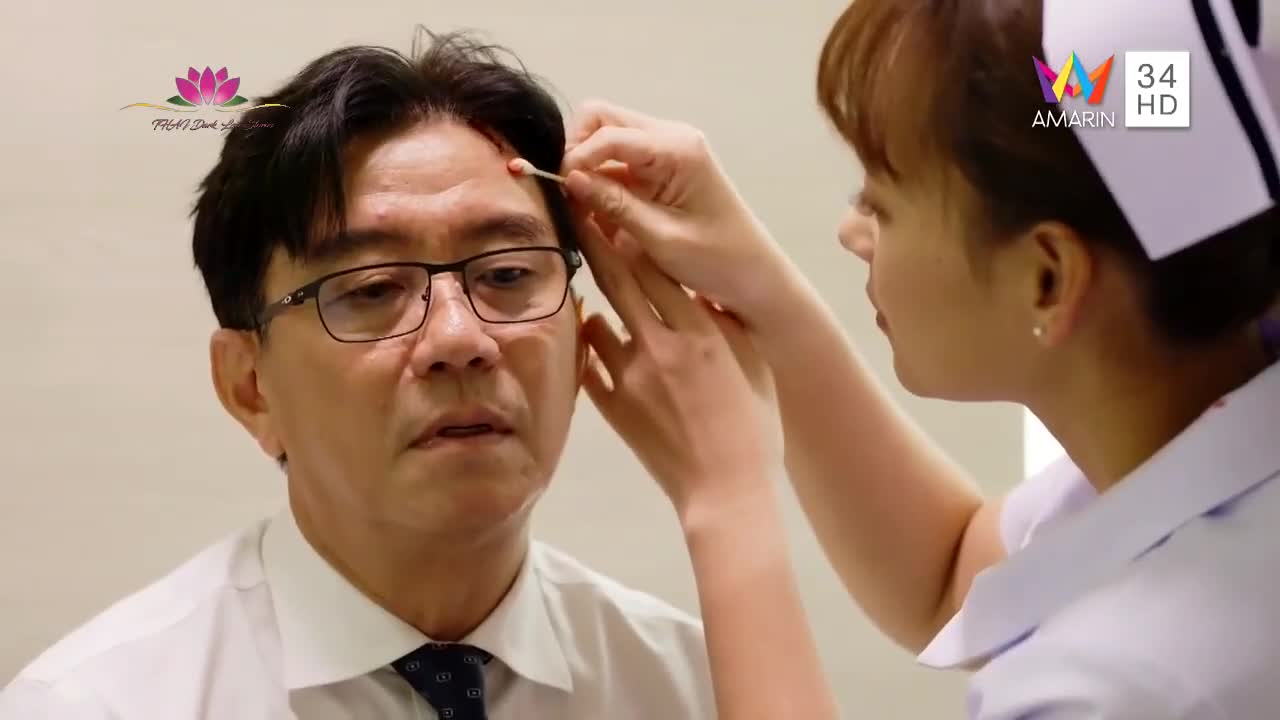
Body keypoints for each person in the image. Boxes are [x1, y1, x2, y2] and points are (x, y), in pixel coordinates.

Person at [559, 0, 1280, 717]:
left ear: (1047, 278)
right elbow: (952, 573)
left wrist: (727, 493)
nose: (852, 232)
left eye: (879, 203)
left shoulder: (1111, 691)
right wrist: (762, 294)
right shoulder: (1218, 434)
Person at [0, 30, 717, 719]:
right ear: (250, 387)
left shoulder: (696, 687)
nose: (459, 339)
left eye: (505, 274)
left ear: (581, 340)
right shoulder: (99, 705)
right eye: (372, 289)